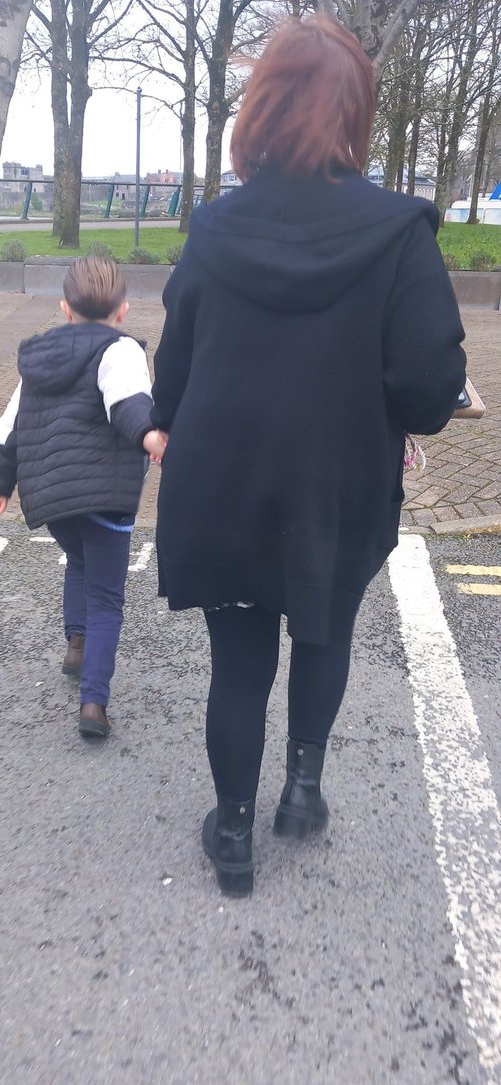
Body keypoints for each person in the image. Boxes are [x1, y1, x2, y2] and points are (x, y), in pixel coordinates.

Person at [151, 15, 466, 897]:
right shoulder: (402, 230)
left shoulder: (213, 229)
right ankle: (302, 792)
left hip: (226, 478)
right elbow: (426, 388)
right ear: (356, 114)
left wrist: (163, 421)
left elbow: (173, 366)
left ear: (262, 108)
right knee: (323, 628)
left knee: (239, 657)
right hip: (339, 480)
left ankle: (235, 833)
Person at [0, 257, 167, 739]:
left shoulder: (37, 358)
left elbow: (12, 424)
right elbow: (128, 403)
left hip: (51, 497)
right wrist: (151, 437)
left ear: (65, 310)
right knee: (107, 597)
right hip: (105, 496)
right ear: (123, 311)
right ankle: (93, 704)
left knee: (79, 565)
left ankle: (76, 646)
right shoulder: (120, 350)